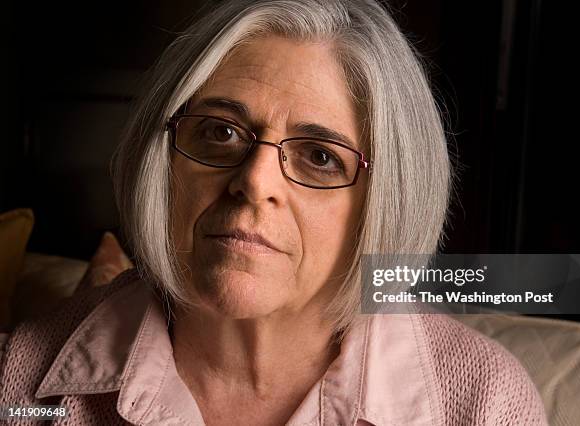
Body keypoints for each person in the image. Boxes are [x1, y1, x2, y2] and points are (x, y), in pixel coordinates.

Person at [0, 0, 548, 424]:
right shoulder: (23, 382)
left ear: (385, 201)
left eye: (319, 156)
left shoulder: (483, 403)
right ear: (159, 157)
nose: (253, 182)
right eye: (220, 131)